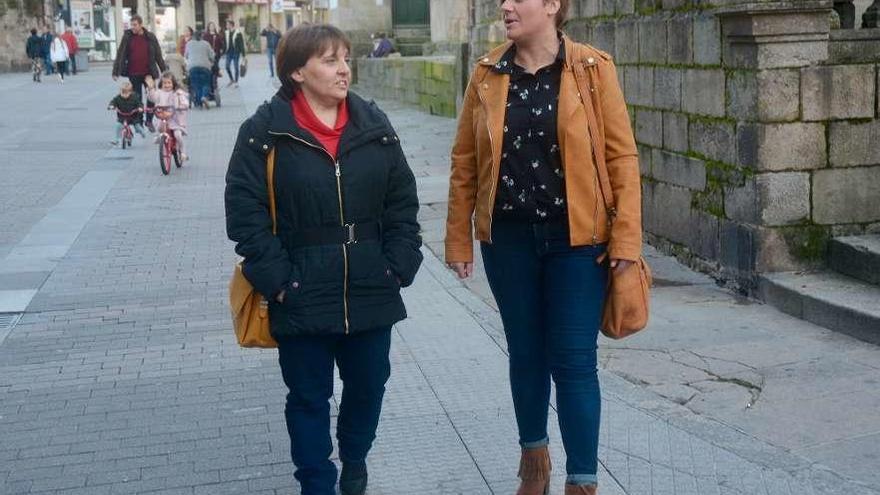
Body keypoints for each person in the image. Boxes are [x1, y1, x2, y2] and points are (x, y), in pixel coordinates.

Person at [444, 0, 642, 494]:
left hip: (578, 240)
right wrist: (457, 238)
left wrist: (626, 238)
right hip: (507, 239)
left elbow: (622, 158)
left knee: (574, 360)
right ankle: (534, 461)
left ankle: (583, 483)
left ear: (553, 6)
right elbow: (464, 161)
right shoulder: (487, 74)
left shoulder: (593, 69)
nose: (505, 6)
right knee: (525, 353)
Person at [224, 24, 422, 495]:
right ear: (297, 71)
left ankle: (354, 458)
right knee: (309, 398)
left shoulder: (374, 126)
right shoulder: (263, 132)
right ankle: (316, 483)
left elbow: (402, 201)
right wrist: (279, 281)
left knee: (369, 386)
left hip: (372, 284)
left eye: (345, 58)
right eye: (330, 60)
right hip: (300, 290)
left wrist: (399, 264)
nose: (343, 69)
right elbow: (245, 214)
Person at [112, 15, 167, 132]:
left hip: (148, 73)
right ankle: (139, 121)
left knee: (151, 96)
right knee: (137, 98)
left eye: (135, 25)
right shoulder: (127, 37)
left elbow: (158, 55)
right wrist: (115, 71)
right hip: (134, 73)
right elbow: (120, 54)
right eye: (131, 25)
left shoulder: (150, 37)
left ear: (141, 25)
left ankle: (149, 120)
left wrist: (165, 71)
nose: (133, 27)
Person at [146, 72, 190, 162]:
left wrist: (182, 106)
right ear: (161, 84)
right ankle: (161, 137)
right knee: (161, 128)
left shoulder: (177, 93)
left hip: (175, 119)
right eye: (164, 83)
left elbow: (185, 103)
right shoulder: (159, 93)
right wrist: (151, 88)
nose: (167, 85)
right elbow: (152, 98)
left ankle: (182, 153)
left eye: (169, 83)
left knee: (178, 135)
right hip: (162, 117)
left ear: (173, 83)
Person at [108, 80, 146, 146]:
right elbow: (113, 102)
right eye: (122, 93)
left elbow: (139, 103)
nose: (124, 95)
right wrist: (111, 106)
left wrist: (140, 108)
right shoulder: (118, 98)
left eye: (126, 93)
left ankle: (142, 132)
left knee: (137, 127)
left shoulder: (134, 98)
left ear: (130, 92)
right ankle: (116, 140)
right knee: (118, 126)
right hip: (122, 116)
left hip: (133, 116)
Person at [185, 31, 214, 108]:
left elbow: (186, 56)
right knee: (206, 83)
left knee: (196, 85)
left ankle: (198, 103)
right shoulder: (206, 44)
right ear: (202, 36)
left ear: (193, 36)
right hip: (205, 66)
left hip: (192, 67)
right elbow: (212, 56)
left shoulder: (189, 44)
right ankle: (204, 96)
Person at [223, 19, 245, 87]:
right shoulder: (226, 32)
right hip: (228, 53)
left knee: (236, 67)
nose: (226, 26)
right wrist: (223, 52)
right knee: (227, 66)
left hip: (236, 52)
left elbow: (241, 44)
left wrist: (243, 54)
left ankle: (236, 82)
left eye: (227, 24)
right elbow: (224, 43)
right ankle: (231, 79)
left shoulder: (238, 33)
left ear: (231, 25)